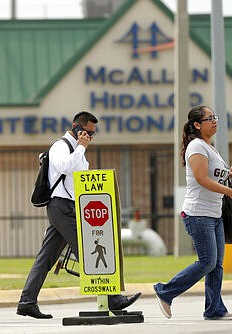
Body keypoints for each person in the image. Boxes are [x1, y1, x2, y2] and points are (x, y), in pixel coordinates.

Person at [16, 111, 141, 319]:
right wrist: (82, 147)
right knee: (87, 250)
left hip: (71, 206)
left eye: (92, 134)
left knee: (46, 257)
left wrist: (81, 148)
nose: (89, 137)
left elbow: (81, 178)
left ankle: (27, 302)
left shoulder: (77, 150)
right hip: (61, 206)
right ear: (76, 127)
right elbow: (64, 167)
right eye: (86, 132)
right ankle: (112, 298)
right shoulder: (60, 146)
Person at [154, 105, 232, 320]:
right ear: (197, 125)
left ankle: (214, 309)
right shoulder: (196, 146)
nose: (214, 121)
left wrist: (229, 174)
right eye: (209, 118)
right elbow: (201, 179)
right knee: (207, 262)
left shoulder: (210, 147)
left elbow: (213, 177)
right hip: (198, 214)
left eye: (215, 117)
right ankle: (165, 291)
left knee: (216, 265)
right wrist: (230, 192)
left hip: (214, 214)